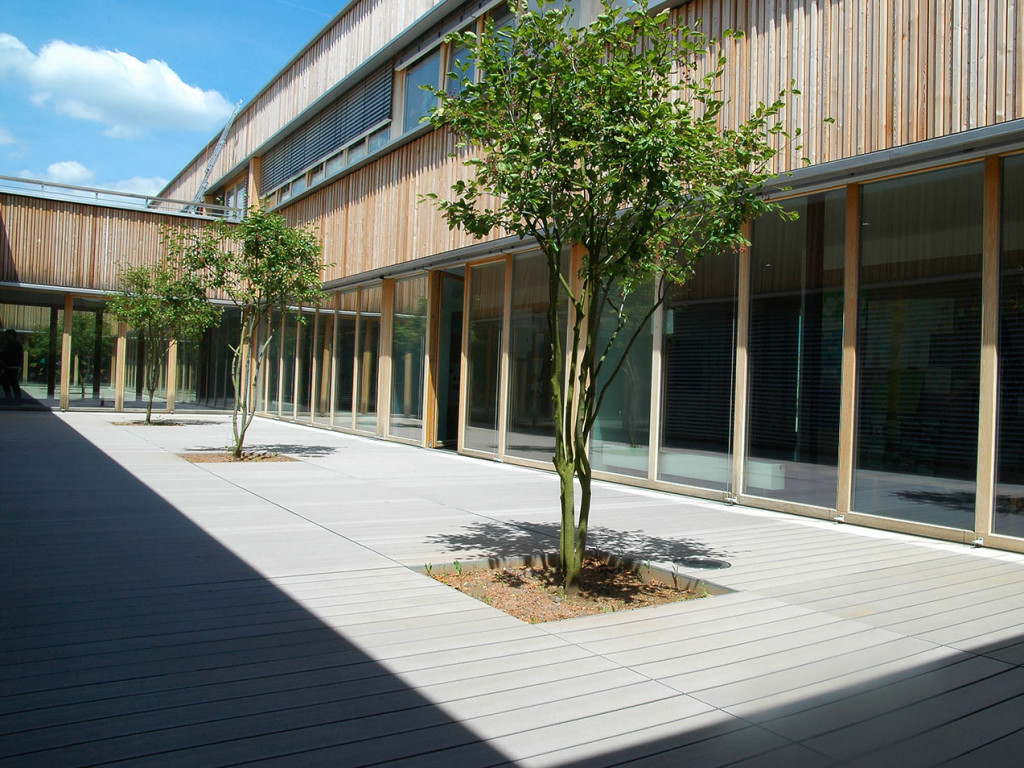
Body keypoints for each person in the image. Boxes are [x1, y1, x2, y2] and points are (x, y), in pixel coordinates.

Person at [2, 329, 24, 405]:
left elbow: (9, 356)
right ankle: (14, 400)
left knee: (12, 384)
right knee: (9, 384)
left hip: (11, 367)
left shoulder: (12, 345)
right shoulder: (15, 345)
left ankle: (14, 400)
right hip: (11, 367)